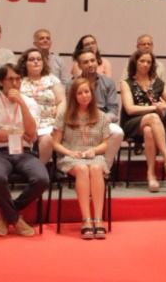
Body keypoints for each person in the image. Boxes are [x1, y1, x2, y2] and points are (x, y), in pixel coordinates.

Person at [0, 64, 48, 237]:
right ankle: (16, 219)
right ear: (1, 82)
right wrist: (17, 132)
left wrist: (22, 104)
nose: (15, 83)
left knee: (42, 179)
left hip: (24, 152)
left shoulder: (30, 103)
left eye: (18, 79)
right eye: (11, 79)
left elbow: (31, 134)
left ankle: (8, 212)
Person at [52, 77, 111, 239]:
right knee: (83, 169)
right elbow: (55, 143)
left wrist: (94, 150)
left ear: (92, 94)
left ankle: (98, 219)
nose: (84, 95)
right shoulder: (64, 115)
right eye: (80, 93)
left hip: (93, 155)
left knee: (97, 168)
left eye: (87, 92)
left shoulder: (102, 116)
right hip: (71, 156)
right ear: (74, 96)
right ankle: (86, 220)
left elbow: (105, 144)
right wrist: (70, 153)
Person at [121, 49, 166, 191]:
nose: (145, 64)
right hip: (132, 123)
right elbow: (130, 109)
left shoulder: (158, 83)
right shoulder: (126, 83)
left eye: (149, 62)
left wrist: (165, 105)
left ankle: (151, 175)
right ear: (135, 63)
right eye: (142, 61)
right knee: (153, 118)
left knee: (149, 131)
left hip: (151, 126)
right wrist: (154, 109)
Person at [74, 49, 125, 169]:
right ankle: (76, 165)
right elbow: (69, 109)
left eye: (93, 60)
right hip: (78, 121)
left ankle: (104, 167)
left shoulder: (108, 83)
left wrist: (101, 120)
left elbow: (113, 110)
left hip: (103, 120)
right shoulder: (73, 84)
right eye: (86, 62)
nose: (90, 64)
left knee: (117, 132)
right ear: (80, 65)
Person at [16, 47, 65, 164]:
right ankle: (22, 168)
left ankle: (40, 169)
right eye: (32, 59)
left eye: (39, 59)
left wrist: (58, 119)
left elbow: (62, 101)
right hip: (24, 121)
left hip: (48, 121)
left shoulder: (52, 79)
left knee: (48, 138)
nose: (36, 62)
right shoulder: (19, 80)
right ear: (25, 63)